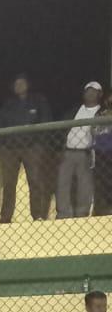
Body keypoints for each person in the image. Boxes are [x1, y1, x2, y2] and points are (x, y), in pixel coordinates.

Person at [0, 74, 53, 222]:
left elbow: (46, 120)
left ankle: (37, 215)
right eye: (16, 84)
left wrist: (39, 143)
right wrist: (3, 145)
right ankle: (6, 217)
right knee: (8, 183)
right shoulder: (8, 104)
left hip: (32, 147)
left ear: (28, 84)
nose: (19, 86)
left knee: (35, 181)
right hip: (10, 149)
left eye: (22, 83)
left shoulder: (38, 100)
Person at [57, 82, 104, 219]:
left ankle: (82, 214)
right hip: (68, 151)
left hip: (86, 153)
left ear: (100, 94)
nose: (90, 94)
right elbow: (61, 129)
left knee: (85, 185)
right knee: (62, 183)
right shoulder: (74, 110)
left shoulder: (102, 112)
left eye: (94, 91)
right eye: (88, 91)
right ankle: (63, 214)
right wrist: (60, 147)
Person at [93, 95, 112, 217]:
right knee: (102, 181)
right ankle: (102, 209)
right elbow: (94, 130)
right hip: (101, 151)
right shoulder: (99, 114)